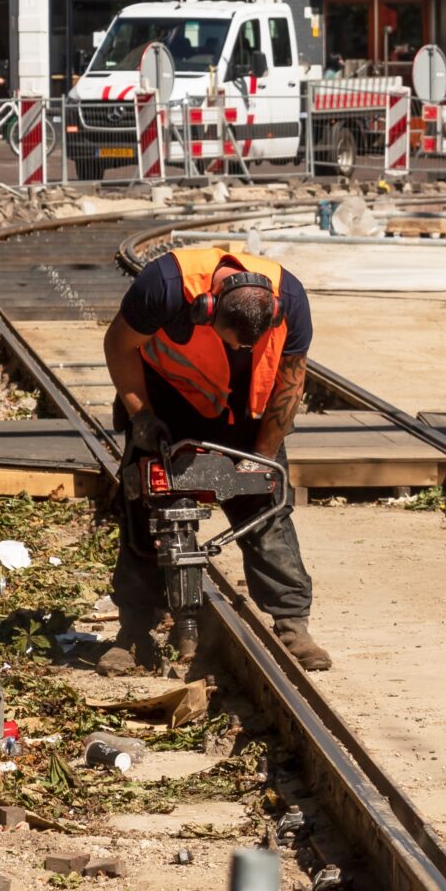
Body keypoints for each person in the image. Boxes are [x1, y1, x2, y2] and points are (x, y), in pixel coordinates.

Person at [100, 247, 330, 673]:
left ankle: (293, 625)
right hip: (167, 407)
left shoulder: (291, 299)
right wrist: (141, 415)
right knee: (142, 509)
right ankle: (133, 632)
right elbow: (118, 344)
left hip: (248, 415)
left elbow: (290, 384)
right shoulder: (164, 286)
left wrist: (261, 457)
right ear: (206, 310)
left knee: (267, 510)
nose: (243, 349)